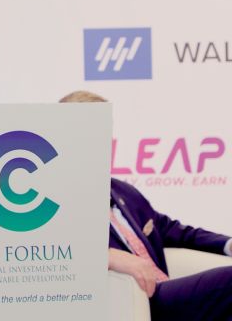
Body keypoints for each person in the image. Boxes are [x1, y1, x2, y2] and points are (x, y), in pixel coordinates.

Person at [60, 90, 232, 320]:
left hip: (164, 292)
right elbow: (48, 251)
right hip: (134, 302)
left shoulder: (121, 190)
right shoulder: (54, 201)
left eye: (104, 132)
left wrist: (227, 244)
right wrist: (107, 256)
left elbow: (174, 231)